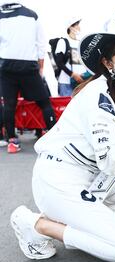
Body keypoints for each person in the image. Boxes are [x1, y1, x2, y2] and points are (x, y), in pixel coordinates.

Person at [10, 13, 115, 262]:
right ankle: (37, 225)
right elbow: (109, 162)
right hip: (61, 183)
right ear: (108, 62)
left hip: (93, 180)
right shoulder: (98, 96)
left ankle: (92, 219)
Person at [0, 2, 56, 153]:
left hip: (6, 65)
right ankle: (54, 136)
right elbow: (41, 43)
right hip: (28, 65)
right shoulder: (32, 14)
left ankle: (12, 141)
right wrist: (41, 66)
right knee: (44, 103)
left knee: (9, 105)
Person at [53, 16, 88, 96]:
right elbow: (59, 62)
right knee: (67, 106)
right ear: (71, 27)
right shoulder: (63, 41)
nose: (79, 27)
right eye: (77, 25)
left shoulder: (80, 43)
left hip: (81, 81)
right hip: (66, 83)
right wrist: (72, 74)